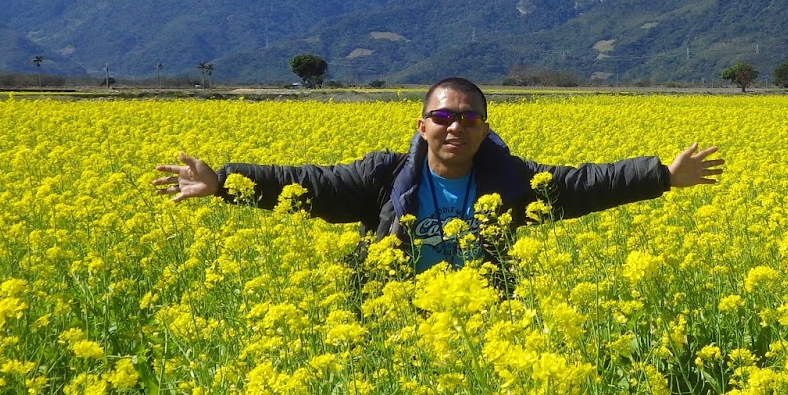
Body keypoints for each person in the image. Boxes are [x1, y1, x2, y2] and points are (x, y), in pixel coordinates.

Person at [153, 77, 724, 271]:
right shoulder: (385, 178)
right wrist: (225, 182)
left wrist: (662, 176)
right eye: (443, 117)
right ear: (423, 125)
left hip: (485, 329)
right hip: (397, 319)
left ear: (484, 127)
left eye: (469, 117)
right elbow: (312, 184)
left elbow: (578, 186)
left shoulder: (513, 181)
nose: (456, 126)